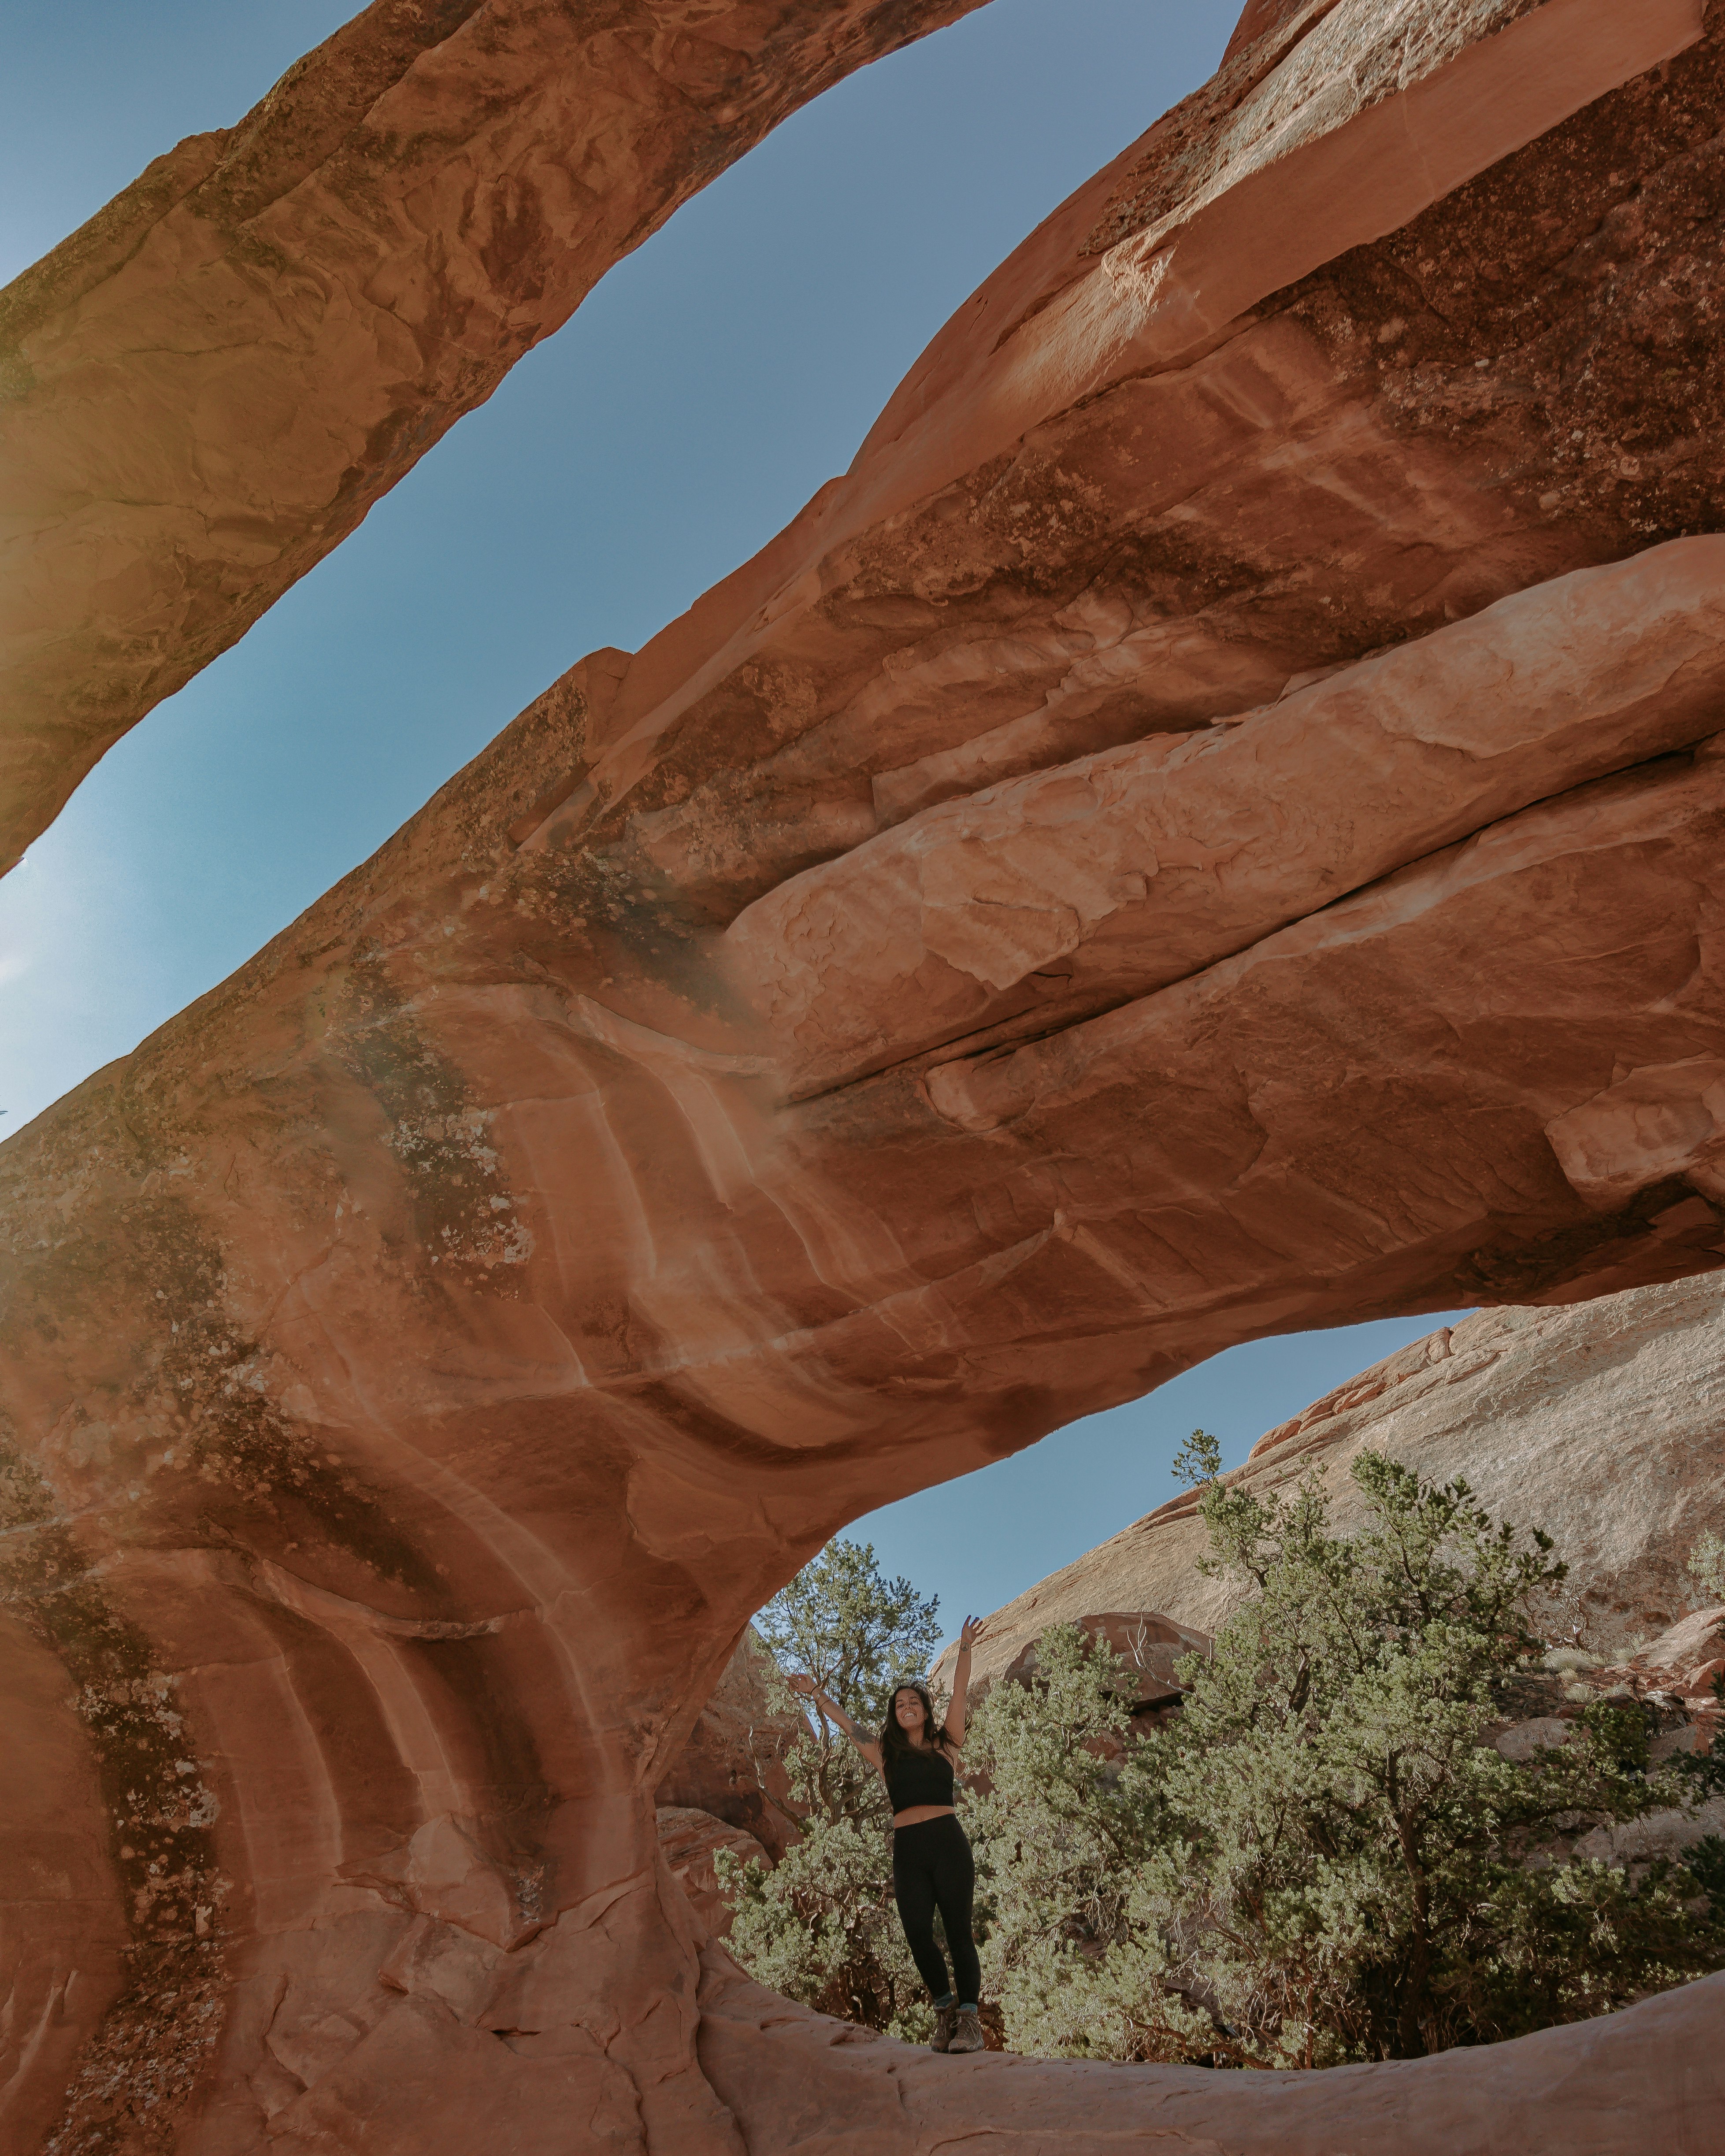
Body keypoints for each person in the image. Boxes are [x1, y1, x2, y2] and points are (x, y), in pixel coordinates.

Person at [788, 1615, 985, 2054]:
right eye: (900, 1705)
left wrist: (966, 1648)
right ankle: (945, 2010)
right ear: (895, 1716)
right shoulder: (884, 1755)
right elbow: (847, 1724)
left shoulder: (947, 1743)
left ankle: (970, 2022)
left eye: (914, 1701)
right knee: (916, 1930)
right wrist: (815, 1692)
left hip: (948, 1844)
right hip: (909, 1851)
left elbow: (959, 1694)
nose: (907, 1707)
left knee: (957, 1932)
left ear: (925, 1709)